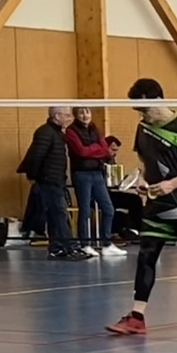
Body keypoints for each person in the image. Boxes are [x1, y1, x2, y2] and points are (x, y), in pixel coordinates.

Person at [106, 78, 177, 335]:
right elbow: (146, 163)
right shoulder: (143, 128)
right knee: (146, 255)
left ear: (158, 100)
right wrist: (143, 181)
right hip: (157, 202)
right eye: (139, 111)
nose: (143, 115)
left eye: (145, 109)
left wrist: (172, 184)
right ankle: (137, 316)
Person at [18, 106, 85, 260]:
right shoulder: (45, 133)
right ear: (57, 116)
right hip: (49, 181)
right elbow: (36, 155)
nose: (70, 118)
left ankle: (57, 248)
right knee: (59, 214)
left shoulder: (57, 133)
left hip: (56, 180)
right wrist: (32, 175)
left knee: (56, 215)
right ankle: (68, 248)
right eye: (67, 115)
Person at [65, 107, 124, 257]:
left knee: (108, 209)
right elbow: (81, 151)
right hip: (82, 174)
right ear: (76, 115)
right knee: (85, 211)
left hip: (98, 173)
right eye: (81, 113)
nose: (85, 115)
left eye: (87, 112)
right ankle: (85, 244)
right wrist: (96, 149)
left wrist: (91, 150)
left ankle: (107, 244)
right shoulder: (71, 131)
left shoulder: (95, 129)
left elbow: (105, 150)